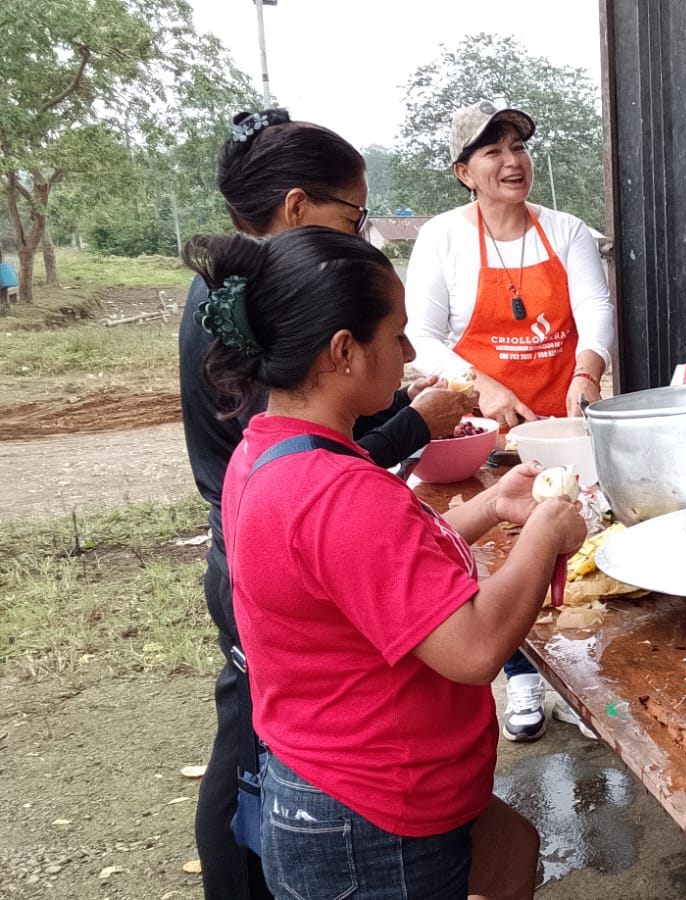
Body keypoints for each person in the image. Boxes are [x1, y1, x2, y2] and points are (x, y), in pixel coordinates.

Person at [189, 225, 587, 899]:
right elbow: (472, 649)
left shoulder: (269, 451)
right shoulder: (337, 492)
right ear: (344, 351)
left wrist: (492, 507)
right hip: (369, 820)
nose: (408, 353)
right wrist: (545, 533)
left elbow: (377, 569)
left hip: (337, 780)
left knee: (511, 852)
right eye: (397, 336)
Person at [178, 109, 474, 900]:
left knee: (268, 741)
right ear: (297, 206)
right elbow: (330, 485)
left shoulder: (267, 344)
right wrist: (417, 422)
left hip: (273, 548)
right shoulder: (322, 477)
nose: (360, 232)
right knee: (248, 752)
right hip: (360, 808)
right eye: (353, 216)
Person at [405, 100, 617, 744]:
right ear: (463, 172)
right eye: (492, 151)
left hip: (558, 425)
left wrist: (587, 374)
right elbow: (420, 335)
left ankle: (573, 674)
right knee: (495, 554)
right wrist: (482, 385)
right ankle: (520, 673)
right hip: (477, 436)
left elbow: (596, 308)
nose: (511, 161)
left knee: (572, 547)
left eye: (518, 146)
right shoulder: (443, 237)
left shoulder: (566, 230)